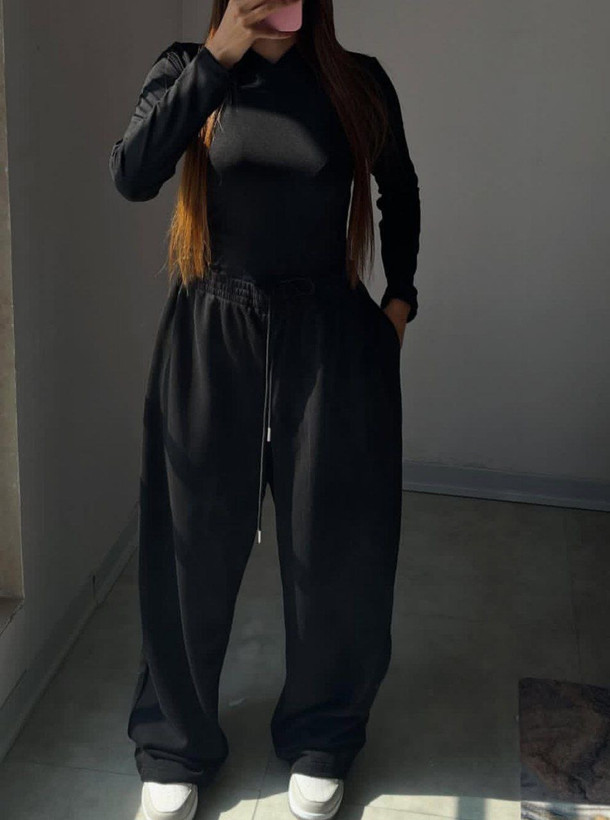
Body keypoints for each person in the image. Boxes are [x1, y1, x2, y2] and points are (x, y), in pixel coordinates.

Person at [108, 1, 421, 818]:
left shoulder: (354, 83)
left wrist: (399, 302)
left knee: (333, 541)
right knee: (190, 542)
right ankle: (174, 744)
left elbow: (399, 187)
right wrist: (218, 58)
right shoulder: (186, 69)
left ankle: (323, 733)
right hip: (212, 325)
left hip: (328, 332)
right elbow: (132, 173)